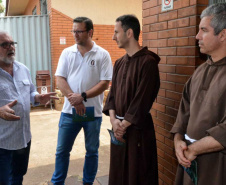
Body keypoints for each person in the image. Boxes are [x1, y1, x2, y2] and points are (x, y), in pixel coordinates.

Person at [51, 17, 112, 185]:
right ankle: (57, 183)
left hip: (93, 113)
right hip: (69, 112)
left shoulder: (102, 55)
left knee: (92, 151)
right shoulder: (67, 53)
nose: (75, 35)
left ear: (90, 32)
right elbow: (60, 79)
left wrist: (83, 96)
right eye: (73, 31)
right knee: (62, 151)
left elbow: (104, 83)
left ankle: (88, 182)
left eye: (79, 31)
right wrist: (75, 100)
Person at [170, 3, 226, 185]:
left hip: (217, 163)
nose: (197, 36)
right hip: (188, 158)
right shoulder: (200, 71)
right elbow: (183, 112)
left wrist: (195, 149)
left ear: (223, 35)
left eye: (204, 30)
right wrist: (178, 141)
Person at [103, 14, 160, 185]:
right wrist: (114, 121)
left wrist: (123, 125)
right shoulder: (119, 63)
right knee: (118, 173)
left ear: (129, 33)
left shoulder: (148, 63)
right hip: (119, 129)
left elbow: (142, 100)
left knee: (138, 174)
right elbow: (112, 95)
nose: (113, 37)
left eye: (116, 32)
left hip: (138, 131)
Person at [0, 31, 58, 184]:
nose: (11, 47)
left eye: (12, 43)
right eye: (5, 44)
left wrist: (37, 97)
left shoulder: (23, 69)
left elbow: (31, 90)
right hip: (3, 144)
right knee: (4, 180)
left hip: (24, 138)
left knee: (19, 177)